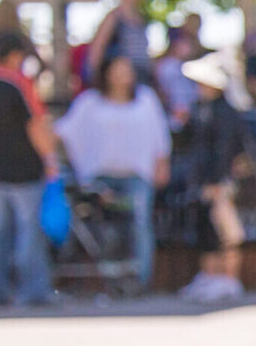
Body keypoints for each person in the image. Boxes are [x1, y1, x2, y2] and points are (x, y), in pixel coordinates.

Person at [53, 55, 172, 290]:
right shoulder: (90, 102)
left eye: (126, 69)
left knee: (139, 223)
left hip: (137, 176)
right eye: (116, 69)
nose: (121, 75)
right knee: (105, 229)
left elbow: (160, 137)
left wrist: (161, 165)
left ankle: (140, 281)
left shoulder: (146, 100)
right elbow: (64, 131)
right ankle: (112, 280)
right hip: (100, 177)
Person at [0, 33, 58, 307]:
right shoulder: (17, 82)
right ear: (16, 55)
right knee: (29, 234)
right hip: (25, 170)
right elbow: (36, 125)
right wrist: (51, 161)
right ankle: (33, 292)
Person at [177, 52, 249, 304]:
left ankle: (228, 279)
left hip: (220, 183)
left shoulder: (226, 113)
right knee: (206, 228)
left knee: (225, 232)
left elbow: (225, 149)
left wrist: (218, 182)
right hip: (205, 181)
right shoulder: (201, 110)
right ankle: (210, 276)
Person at [83, 0, 153, 88]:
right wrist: (92, 76)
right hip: (120, 78)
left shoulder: (140, 19)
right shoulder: (113, 17)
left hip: (141, 78)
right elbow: (97, 48)